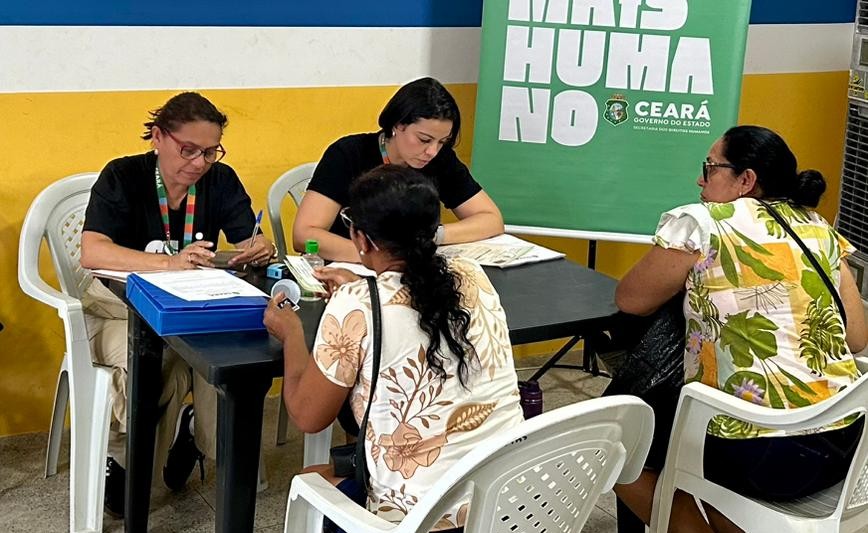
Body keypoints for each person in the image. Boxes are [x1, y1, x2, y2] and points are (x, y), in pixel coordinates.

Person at [612, 125, 867, 533]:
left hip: (762, 452)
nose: (700, 178)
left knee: (619, 445)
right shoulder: (820, 229)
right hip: (844, 443)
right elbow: (857, 339)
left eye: (710, 167)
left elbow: (632, 300)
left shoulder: (701, 223)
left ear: (746, 179)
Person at [264, 165, 523, 531]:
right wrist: (364, 289)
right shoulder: (471, 274)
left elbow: (308, 417)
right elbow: (410, 298)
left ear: (362, 240)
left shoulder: (357, 305)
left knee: (309, 479)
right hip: (510, 502)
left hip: (422, 520)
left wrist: (291, 333)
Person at [79, 91, 277, 516]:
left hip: (190, 311)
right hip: (119, 308)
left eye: (210, 151)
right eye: (189, 149)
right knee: (152, 373)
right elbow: (93, 252)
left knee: (229, 371)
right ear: (157, 137)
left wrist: (259, 248)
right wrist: (167, 264)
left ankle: (200, 439)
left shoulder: (219, 181)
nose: (200, 162)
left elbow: (253, 239)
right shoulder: (123, 175)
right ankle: (128, 467)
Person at [292, 77, 504, 262]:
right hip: (349, 270)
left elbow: (491, 219)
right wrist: (377, 258)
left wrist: (432, 236)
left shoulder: (440, 159)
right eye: (424, 139)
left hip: (409, 272)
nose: (432, 151)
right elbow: (304, 235)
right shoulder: (348, 154)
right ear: (397, 124)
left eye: (442, 142)